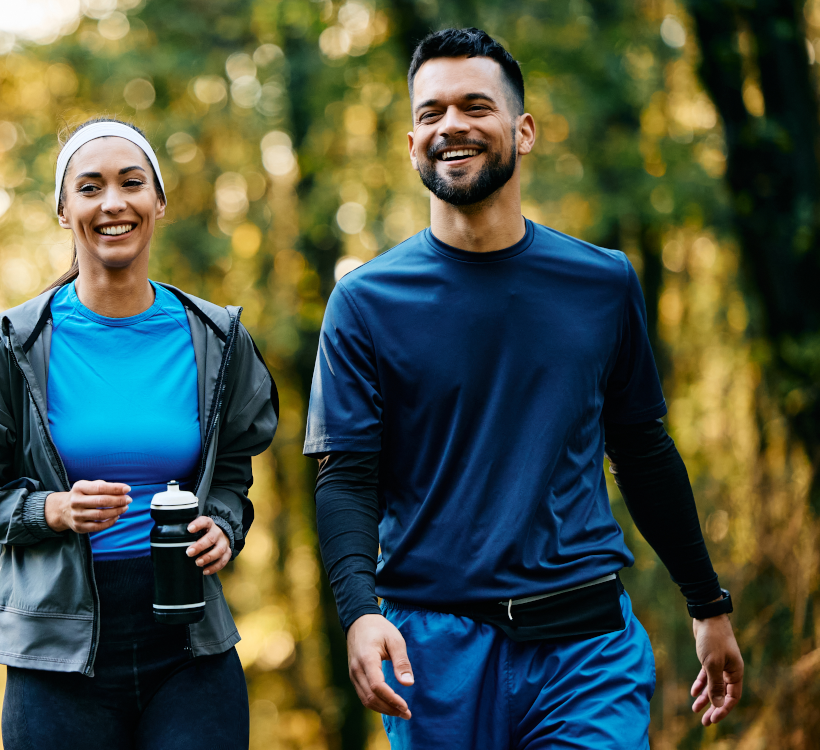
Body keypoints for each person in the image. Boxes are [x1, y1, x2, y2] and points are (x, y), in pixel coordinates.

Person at [304, 28, 745, 747]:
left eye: (475, 105)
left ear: (523, 130)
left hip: (585, 646)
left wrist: (708, 603)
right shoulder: (364, 302)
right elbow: (346, 477)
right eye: (429, 113)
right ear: (412, 141)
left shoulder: (602, 283)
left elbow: (641, 450)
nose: (450, 125)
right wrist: (359, 612)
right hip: (433, 656)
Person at [0, 117, 278, 749]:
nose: (113, 202)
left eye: (131, 183)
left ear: (158, 201)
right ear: (64, 211)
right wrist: (53, 509)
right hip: (57, 656)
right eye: (90, 187)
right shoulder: (13, 346)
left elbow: (233, 472)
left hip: (190, 642)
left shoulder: (217, 339)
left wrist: (224, 526)